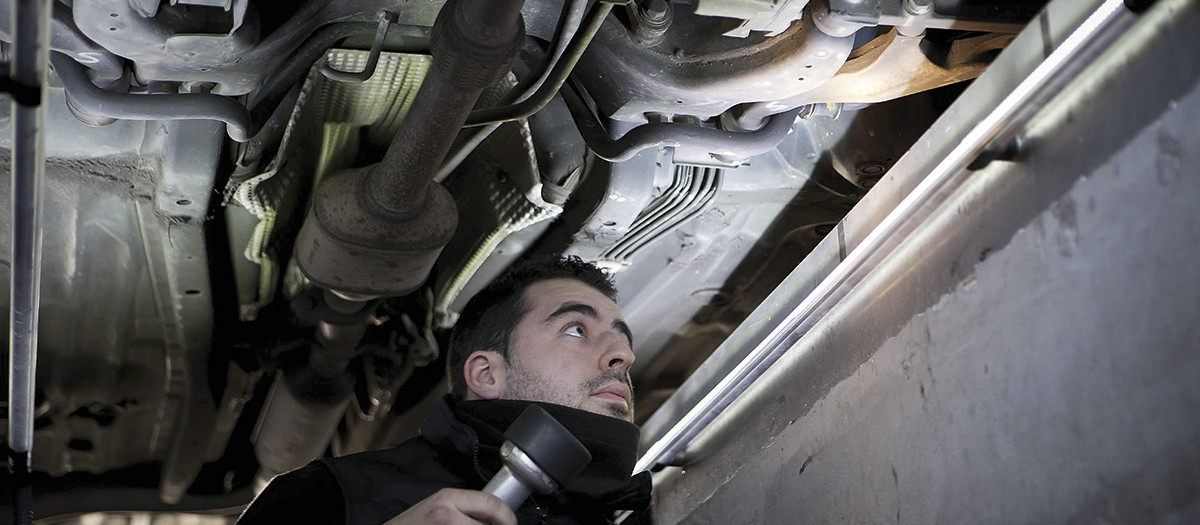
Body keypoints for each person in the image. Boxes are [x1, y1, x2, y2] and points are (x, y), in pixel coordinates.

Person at [237, 257, 652, 524]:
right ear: (487, 375)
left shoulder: (639, 515)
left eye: (623, 339)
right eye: (576, 329)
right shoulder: (329, 496)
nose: (623, 355)